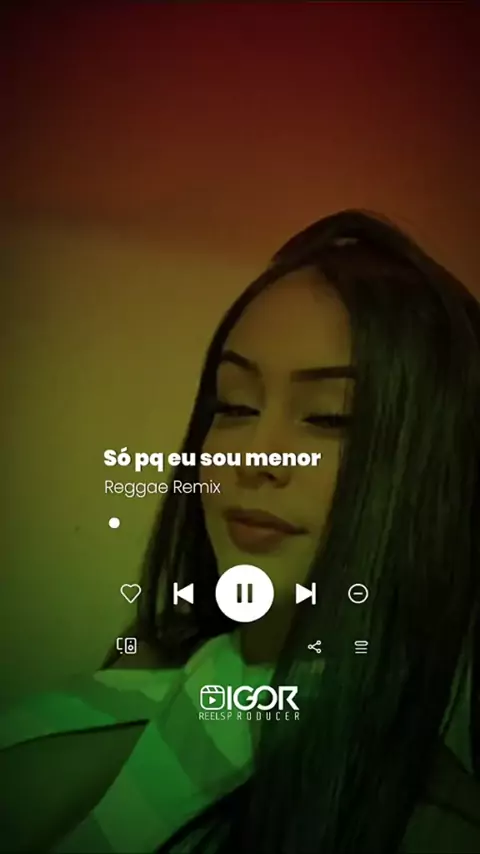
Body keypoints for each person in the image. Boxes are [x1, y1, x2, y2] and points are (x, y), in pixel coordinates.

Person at [1, 210, 480, 853]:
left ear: (438, 469)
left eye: (329, 417)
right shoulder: (156, 663)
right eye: (234, 406)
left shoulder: (431, 829)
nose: (253, 455)